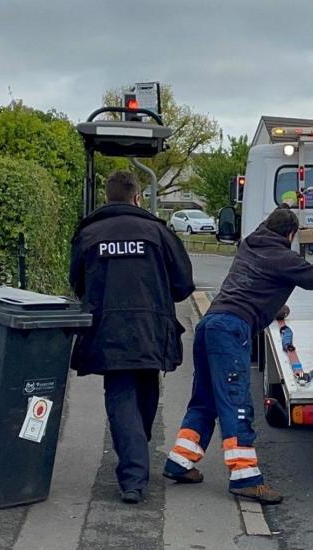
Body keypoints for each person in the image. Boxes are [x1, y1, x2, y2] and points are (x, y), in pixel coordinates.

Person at [163, 207, 313, 504]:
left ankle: (180, 462)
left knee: (205, 399)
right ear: (290, 235)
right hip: (232, 330)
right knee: (236, 403)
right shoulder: (284, 257)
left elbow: (253, 284)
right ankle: (245, 477)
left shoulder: (250, 245)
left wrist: (272, 308)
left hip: (211, 324)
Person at [70, 171, 194, 504]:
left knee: (120, 394)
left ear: (107, 198)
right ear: (137, 197)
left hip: (108, 329)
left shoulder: (89, 234)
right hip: (151, 329)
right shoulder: (158, 232)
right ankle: (135, 471)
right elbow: (183, 284)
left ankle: (133, 471)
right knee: (145, 388)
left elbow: (77, 283)